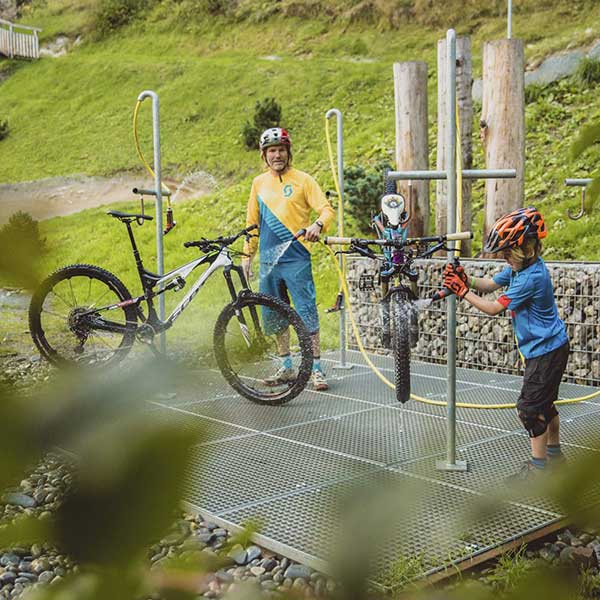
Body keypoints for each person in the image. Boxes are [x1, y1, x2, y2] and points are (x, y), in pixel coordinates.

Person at [443, 207, 569, 481]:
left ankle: (538, 469)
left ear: (526, 247)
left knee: (530, 409)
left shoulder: (530, 278)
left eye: (507, 252)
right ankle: (556, 457)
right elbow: (488, 285)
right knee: (545, 405)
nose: (503, 257)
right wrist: (467, 279)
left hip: (546, 351)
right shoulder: (521, 268)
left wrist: (462, 292)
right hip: (549, 347)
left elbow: (491, 308)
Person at [242, 127, 335, 391]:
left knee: (306, 312)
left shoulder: (303, 180)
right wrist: (247, 255)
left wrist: (318, 224)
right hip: (269, 262)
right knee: (274, 315)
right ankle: (286, 367)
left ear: (288, 152)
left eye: (281, 149)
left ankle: (315, 368)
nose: (277, 155)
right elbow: (252, 223)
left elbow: (326, 210)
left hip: (297, 259)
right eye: (272, 151)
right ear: (264, 155)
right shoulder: (258, 184)